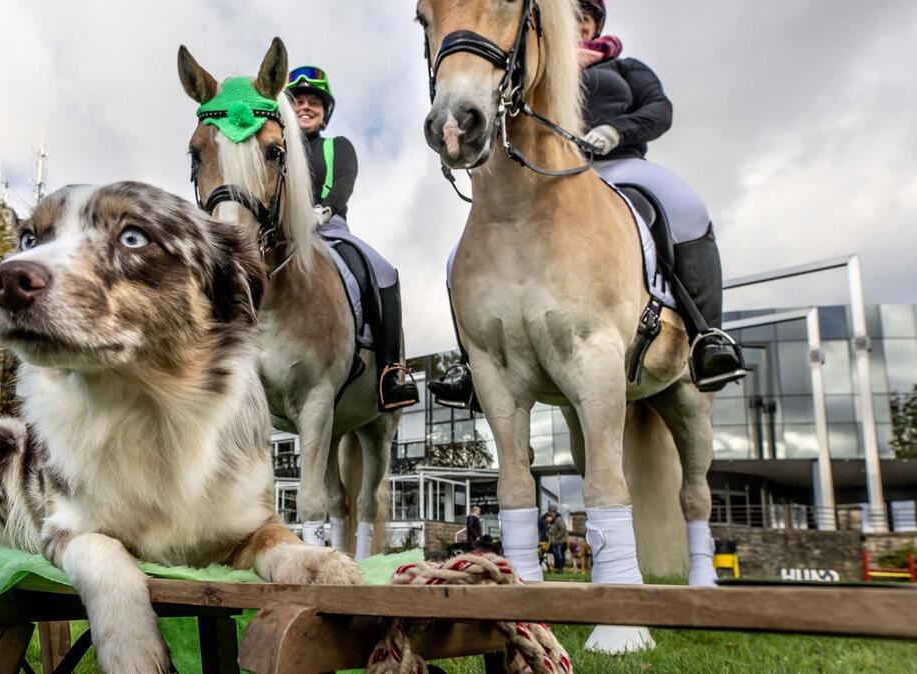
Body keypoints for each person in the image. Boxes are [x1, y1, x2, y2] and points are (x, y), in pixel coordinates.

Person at [429, 0, 746, 409]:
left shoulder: (625, 68)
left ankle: (706, 336)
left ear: (596, 24)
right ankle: (474, 365)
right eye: (571, 15)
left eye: (585, 16)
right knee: (458, 258)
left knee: (684, 208)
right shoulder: (529, 69)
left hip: (620, 165)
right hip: (550, 176)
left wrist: (617, 130)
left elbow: (659, 110)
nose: (577, 23)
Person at [285, 66, 419, 411]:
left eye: (314, 102)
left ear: (324, 112)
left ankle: (390, 371)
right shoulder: (275, 150)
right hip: (282, 234)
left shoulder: (337, 146)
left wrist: (322, 210)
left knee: (383, 272)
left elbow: (343, 182)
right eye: (298, 101)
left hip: (328, 229)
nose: (305, 107)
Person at [546, 504, 568, 573]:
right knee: (557, 555)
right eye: (550, 512)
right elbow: (549, 532)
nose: (550, 513)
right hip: (554, 542)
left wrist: (557, 537)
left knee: (559, 555)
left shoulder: (559, 519)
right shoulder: (551, 521)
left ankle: (560, 569)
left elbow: (563, 529)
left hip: (560, 542)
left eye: (552, 512)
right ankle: (558, 568)